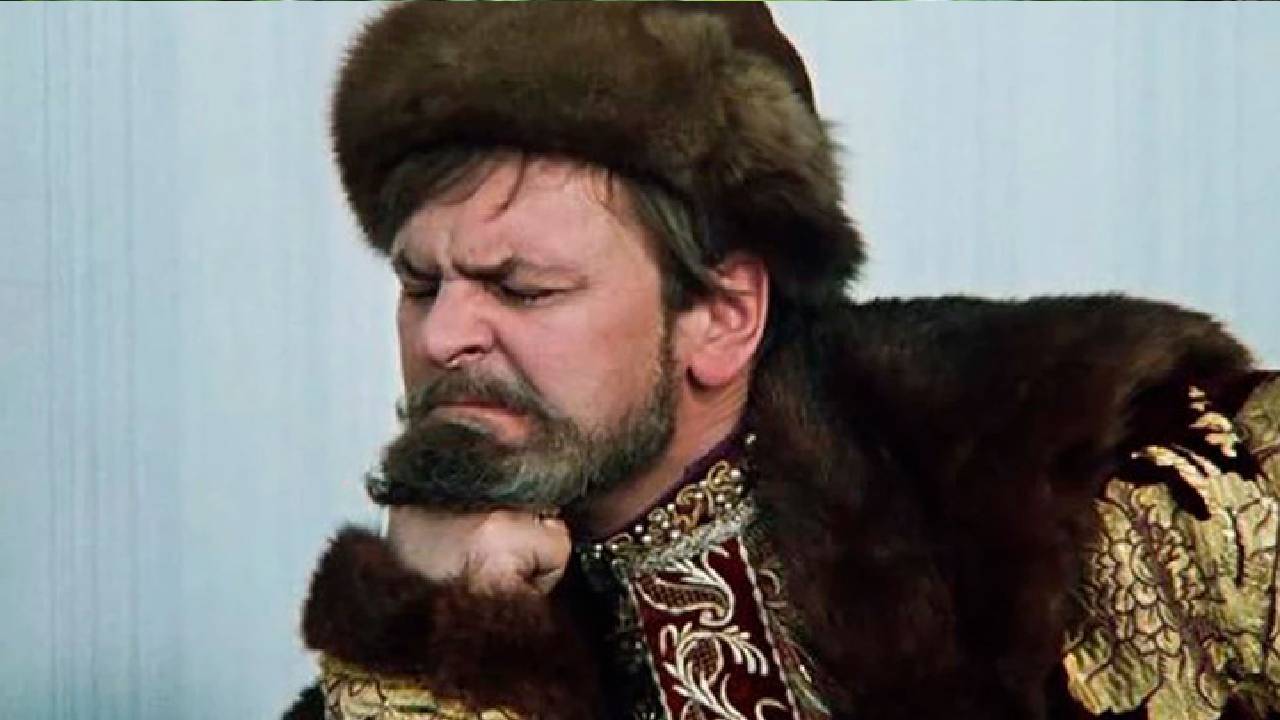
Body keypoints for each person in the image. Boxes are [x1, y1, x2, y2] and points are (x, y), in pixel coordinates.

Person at [285, 4, 1280, 719]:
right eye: (419, 283)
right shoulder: (414, 638)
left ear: (722, 316)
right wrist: (429, 634)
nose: (441, 337)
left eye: (522, 288)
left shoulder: (1071, 482)